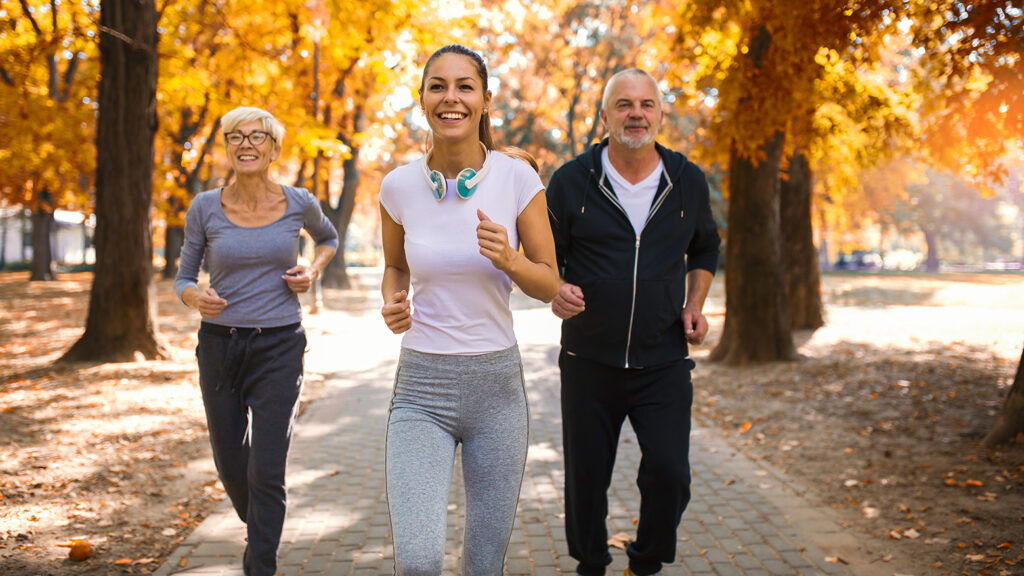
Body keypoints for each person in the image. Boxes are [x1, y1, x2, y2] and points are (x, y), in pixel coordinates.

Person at [378, 44, 560, 575]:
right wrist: (392, 298)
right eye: (438, 86)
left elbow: (549, 284)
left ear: (483, 100)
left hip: (497, 393)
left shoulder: (517, 178)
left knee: (483, 565)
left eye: (464, 86)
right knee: (417, 561)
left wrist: (509, 259)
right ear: (422, 99)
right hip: (421, 391)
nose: (450, 97)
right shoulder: (399, 186)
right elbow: (395, 267)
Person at [545, 69, 721, 576]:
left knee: (670, 472)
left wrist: (695, 303)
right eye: (623, 105)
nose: (636, 114)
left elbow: (705, 246)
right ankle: (591, 564)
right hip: (588, 359)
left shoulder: (686, 180)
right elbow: (544, 257)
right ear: (604, 117)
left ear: (660, 116)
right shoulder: (572, 180)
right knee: (586, 478)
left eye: (646, 105)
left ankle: (644, 563)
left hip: (663, 358)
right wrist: (554, 289)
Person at [174, 106, 338, 576]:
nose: (246, 144)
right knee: (230, 464)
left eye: (257, 136)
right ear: (227, 146)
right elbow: (184, 276)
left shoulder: (299, 201)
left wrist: (312, 268)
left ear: (273, 148)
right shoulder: (205, 206)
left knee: (266, 470)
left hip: (280, 346)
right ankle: (264, 523)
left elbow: (328, 239)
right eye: (236, 136)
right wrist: (194, 298)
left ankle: (260, 562)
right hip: (220, 347)